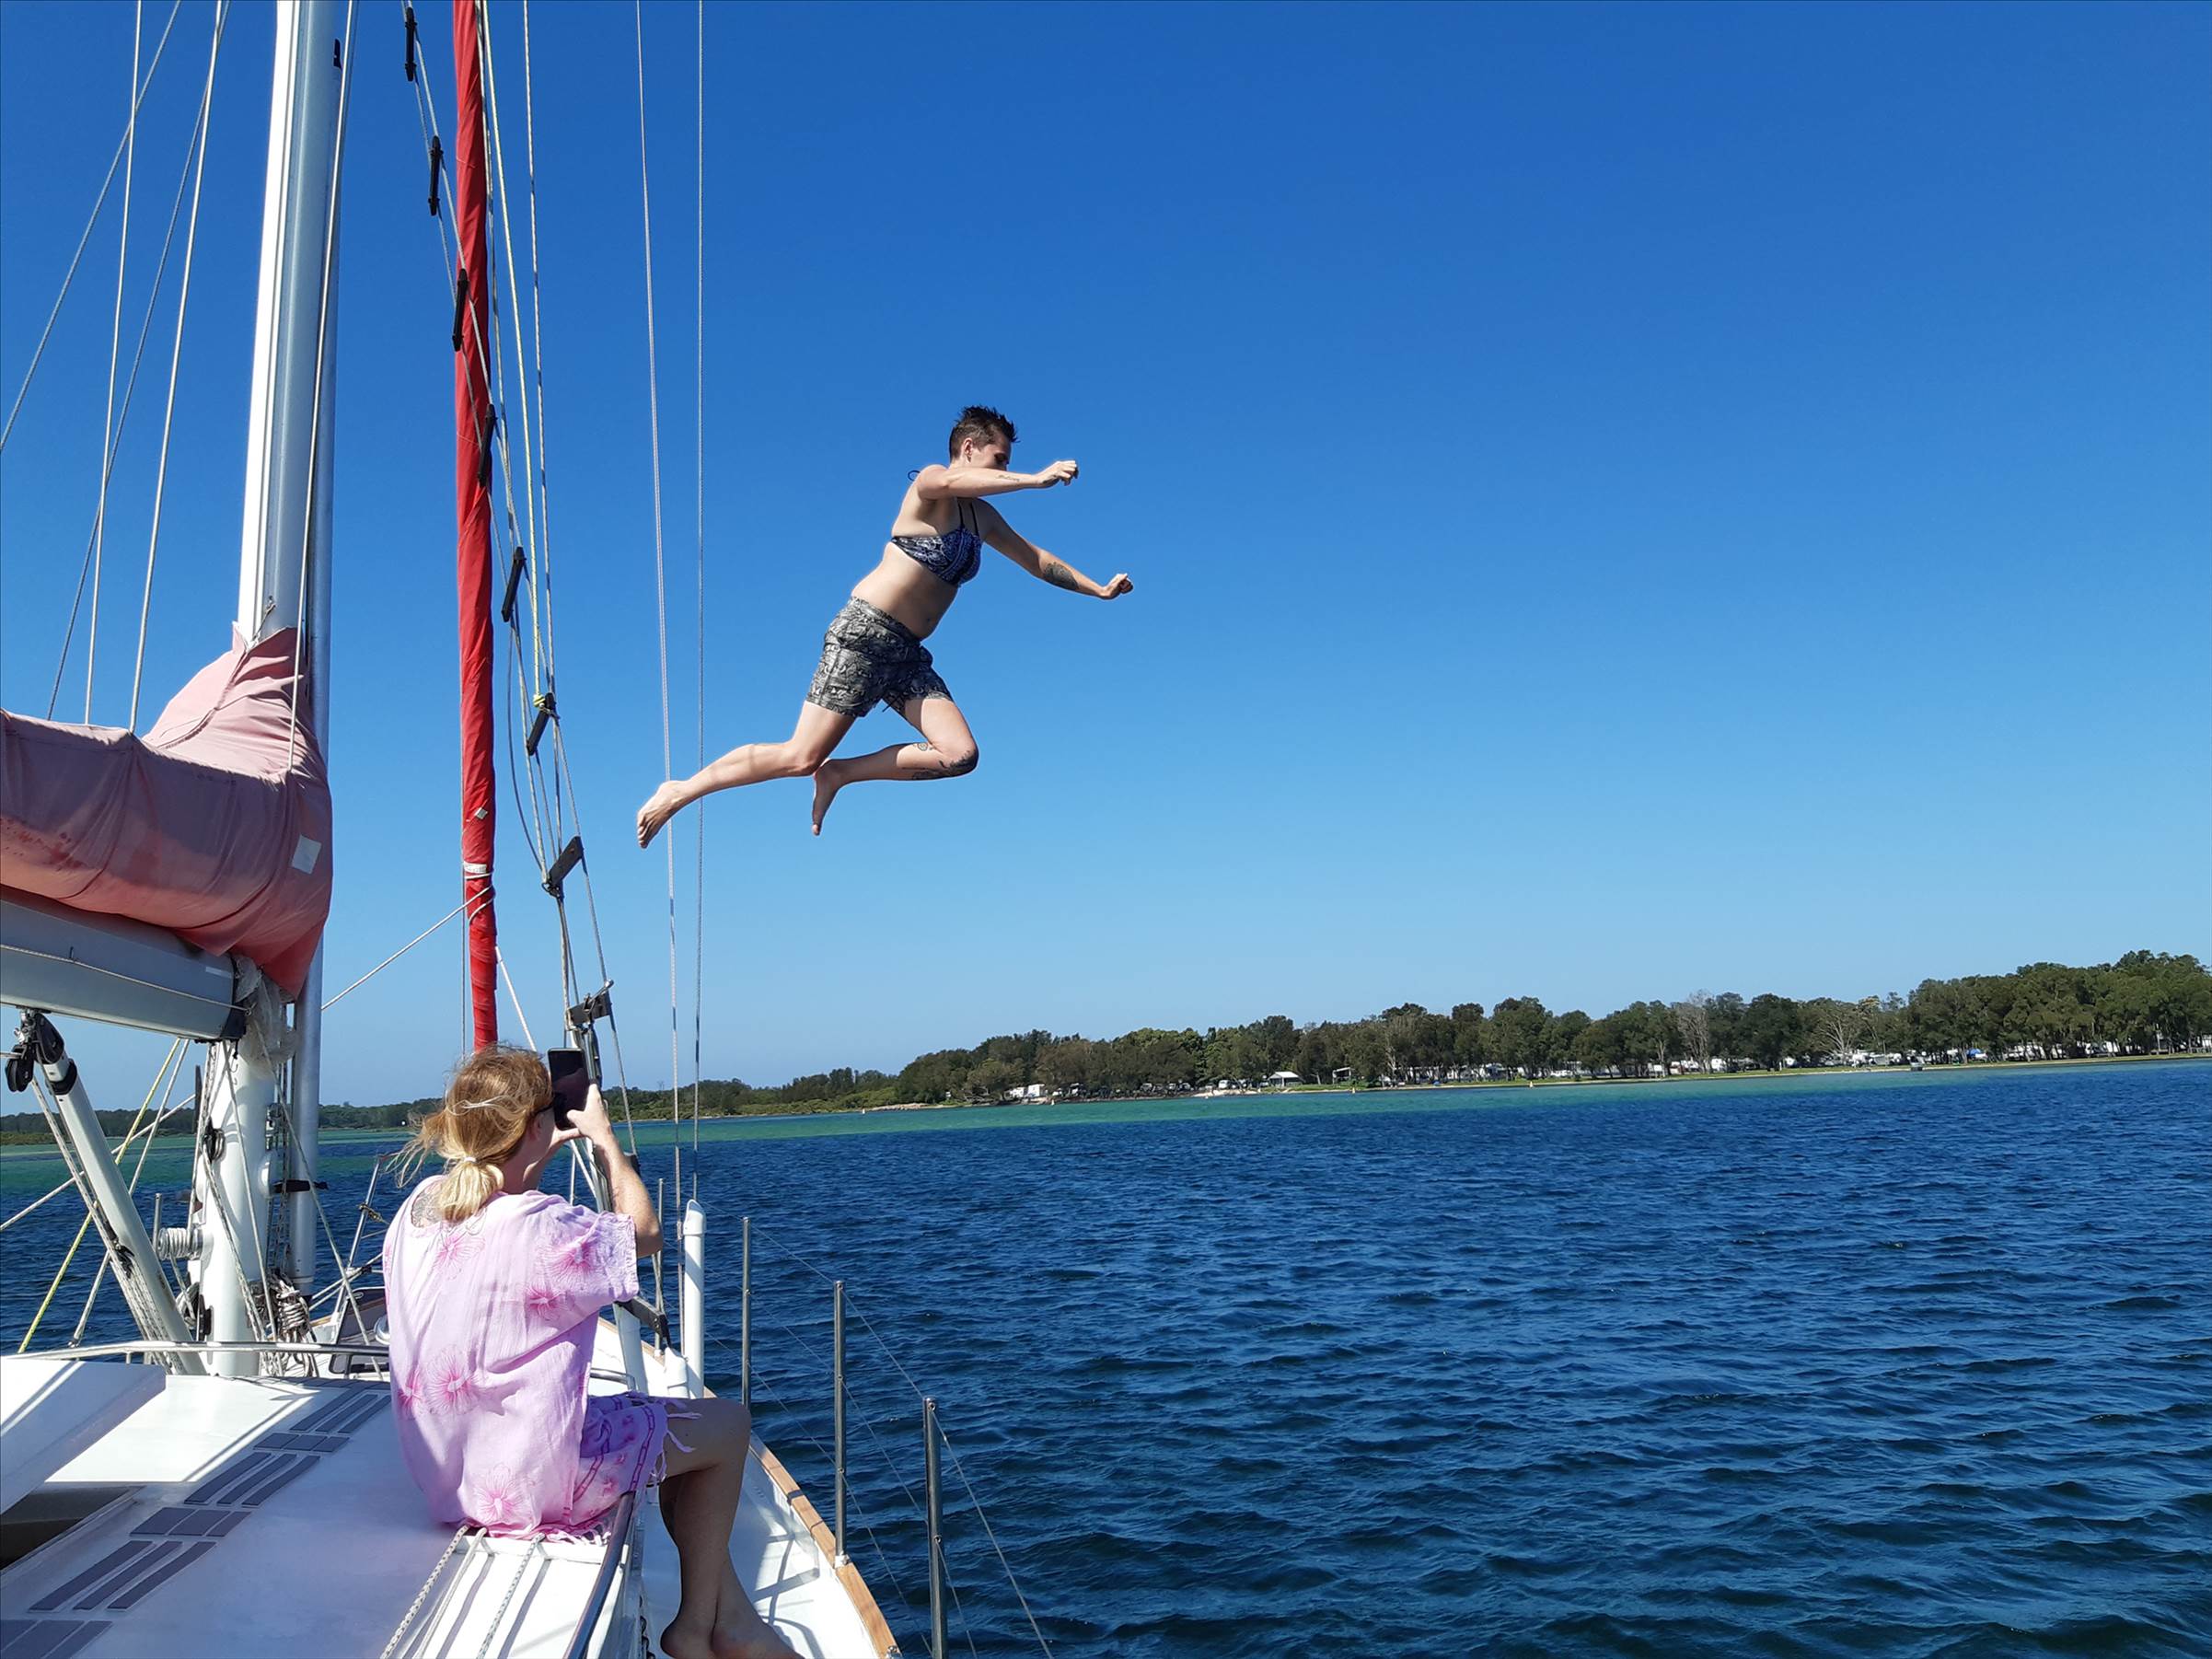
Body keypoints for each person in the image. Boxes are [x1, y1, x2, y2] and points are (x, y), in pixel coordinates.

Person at [381, 1046, 795, 1659]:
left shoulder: (421, 1206)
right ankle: (695, 1626)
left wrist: (532, 1150)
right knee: (728, 1425)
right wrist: (603, 1140)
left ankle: (731, 1617)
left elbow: (495, 1212)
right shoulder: (539, 1226)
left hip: (451, 1475)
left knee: (661, 1430)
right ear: (536, 1124)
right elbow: (644, 1234)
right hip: (535, 1480)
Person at [636, 405, 1134, 844]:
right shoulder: (931, 485)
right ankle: (682, 789)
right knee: (799, 756)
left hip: (907, 654)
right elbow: (951, 483)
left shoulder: (983, 519)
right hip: (866, 634)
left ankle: (841, 774)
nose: (1004, 470)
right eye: (999, 459)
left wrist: (1098, 590)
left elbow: (1035, 559)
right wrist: (1035, 480)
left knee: (960, 755)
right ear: (968, 448)